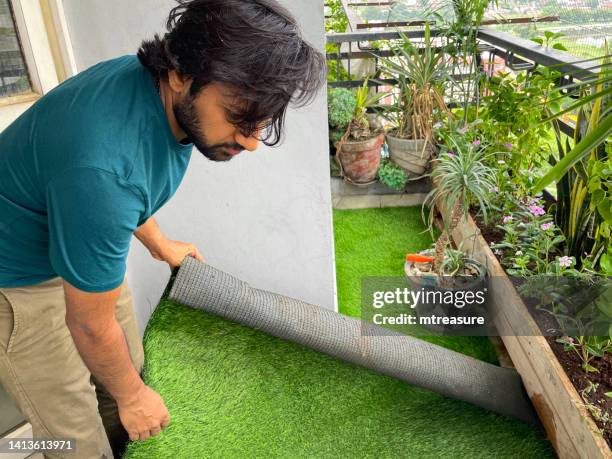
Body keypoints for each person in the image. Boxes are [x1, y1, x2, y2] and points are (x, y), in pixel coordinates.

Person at [0, 0, 325, 457]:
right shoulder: (103, 169)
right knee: (73, 434)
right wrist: (134, 398)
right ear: (180, 73)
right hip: (16, 281)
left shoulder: (151, 94)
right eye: (239, 118)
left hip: (75, 237)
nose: (252, 143)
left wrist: (156, 240)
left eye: (261, 123)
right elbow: (89, 322)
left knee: (126, 372)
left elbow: (123, 183)